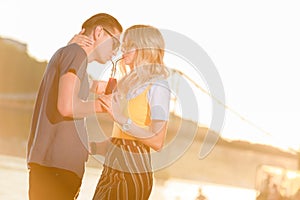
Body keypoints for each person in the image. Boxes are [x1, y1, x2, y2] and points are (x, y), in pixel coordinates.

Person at [26, 13, 122, 200]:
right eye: (115, 43)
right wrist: (103, 106)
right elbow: (67, 106)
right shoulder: (76, 54)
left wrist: (92, 147)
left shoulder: (72, 56)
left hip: (54, 168)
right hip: (57, 170)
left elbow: (70, 105)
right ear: (99, 32)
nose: (116, 51)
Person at [91, 25, 171, 200]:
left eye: (129, 45)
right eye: (123, 44)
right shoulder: (125, 84)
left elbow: (157, 141)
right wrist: (92, 147)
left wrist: (119, 117)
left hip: (133, 173)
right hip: (110, 170)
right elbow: (120, 141)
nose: (123, 49)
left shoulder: (158, 86)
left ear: (145, 48)